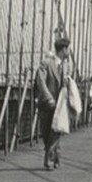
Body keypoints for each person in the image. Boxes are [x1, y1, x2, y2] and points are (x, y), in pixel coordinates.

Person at [34, 29, 71, 171]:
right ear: (63, 50)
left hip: (60, 104)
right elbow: (41, 82)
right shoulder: (46, 63)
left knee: (56, 130)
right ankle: (56, 156)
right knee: (46, 132)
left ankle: (48, 160)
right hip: (47, 104)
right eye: (68, 49)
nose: (69, 52)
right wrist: (49, 97)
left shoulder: (65, 66)